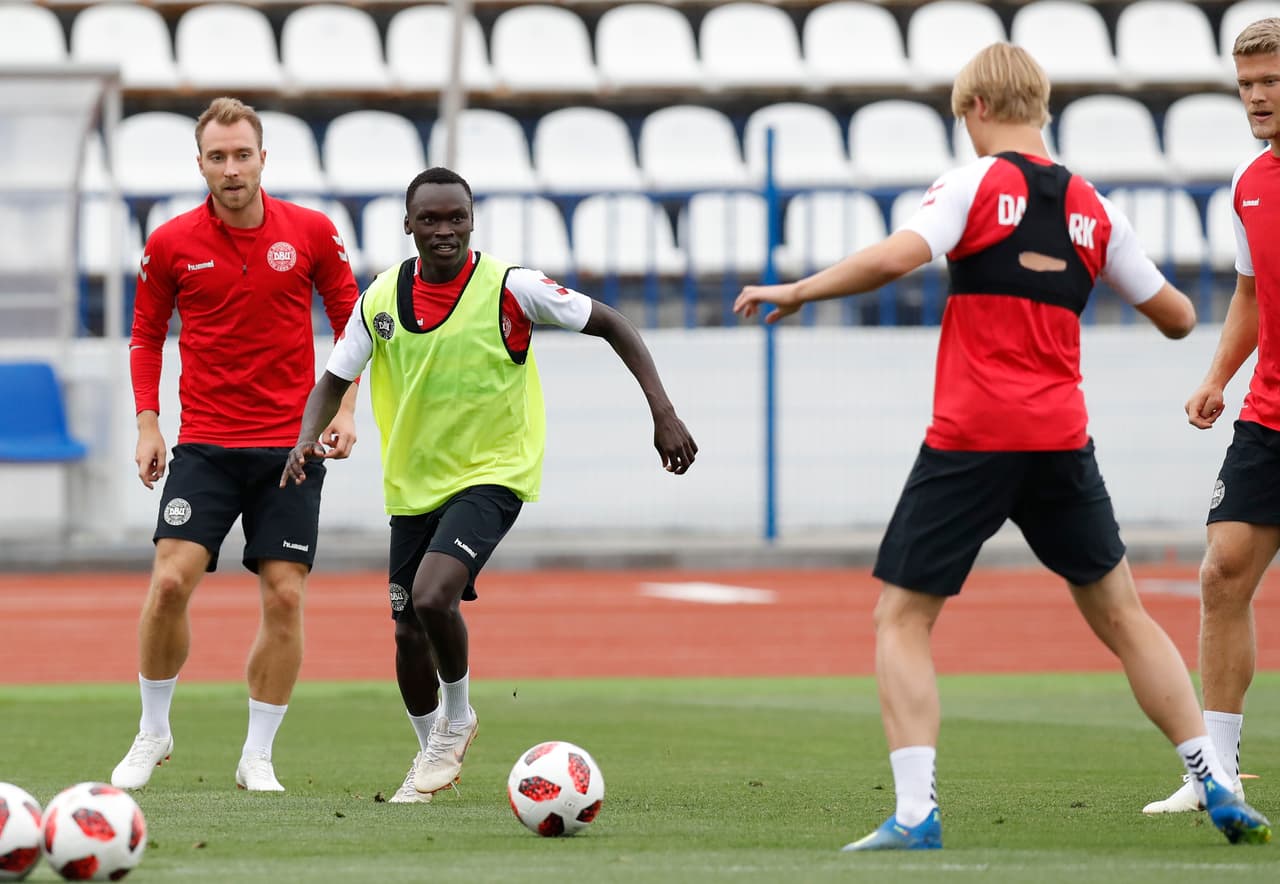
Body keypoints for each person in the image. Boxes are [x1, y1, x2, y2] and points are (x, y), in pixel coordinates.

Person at [734, 43, 1272, 850]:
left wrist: (800, 289)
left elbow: (897, 255)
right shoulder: (1094, 206)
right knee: (1124, 617)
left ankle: (916, 813)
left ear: (974, 110)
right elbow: (1174, 314)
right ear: (1041, 107)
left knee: (903, 618)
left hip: (974, 434)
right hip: (1061, 436)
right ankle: (1215, 781)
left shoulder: (974, 183)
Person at [279, 167, 697, 803]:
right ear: (408, 225)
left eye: (457, 218)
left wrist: (662, 411)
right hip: (414, 483)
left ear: (472, 220)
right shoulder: (379, 300)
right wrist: (305, 437)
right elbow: (335, 377)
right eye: (431, 219)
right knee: (406, 632)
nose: (444, 230)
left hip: (495, 472)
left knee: (431, 596)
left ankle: (459, 719)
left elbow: (612, 322)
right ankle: (429, 755)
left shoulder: (513, 287)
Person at [111, 97, 361, 792]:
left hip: (292, 449)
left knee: (283, 597)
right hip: (208, 446)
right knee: (168, 584)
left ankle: (258, 754)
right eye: (216, 157)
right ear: (200, 165)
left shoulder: (310, 232)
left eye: (241, 154)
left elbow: (354, 322)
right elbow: (144, 335)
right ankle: (153, 732)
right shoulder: (169, 243)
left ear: (262, 158)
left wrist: (345, 407)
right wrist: (148, 422)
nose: (230, 168)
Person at [1143, 17, 1280, 817]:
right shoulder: (1249, 182)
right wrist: (1217, 376)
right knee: (1221, 575)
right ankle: (1215, 777)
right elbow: (1253, 295)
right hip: (1268, 413)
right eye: (1248, 85)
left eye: (1271, 82)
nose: (1258, 97)